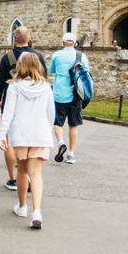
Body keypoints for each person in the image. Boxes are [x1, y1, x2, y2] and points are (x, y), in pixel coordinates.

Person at [0, 53, 55, 229]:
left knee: (22, 172)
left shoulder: (14, 86)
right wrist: (48, 130)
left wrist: (2, 135)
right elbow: (51, 113)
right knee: (36, 174)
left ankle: (22, 207)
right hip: (40, 133)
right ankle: (36, 212)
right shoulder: (46, 87)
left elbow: (8, 112)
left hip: (20, 134)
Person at [0, 26, 47, 191]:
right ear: (29, 38)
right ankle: (30, 176)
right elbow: (43, 80)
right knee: (29, 137)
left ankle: (13, 179)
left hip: (12, 100)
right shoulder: (37, 56)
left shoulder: (7, 57)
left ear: (14, 39)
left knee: (9, 139)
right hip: (33, 104)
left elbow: (0, 83)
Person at [49, 32, 90, 164]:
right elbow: (87, 72)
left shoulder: (57, 55)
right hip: (76, 93)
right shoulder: (81, 56)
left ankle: (61, 142)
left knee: (57, 123)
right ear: (75, 43)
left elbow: (51, 70)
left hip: (60, 93)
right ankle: (71, 154)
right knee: (73, 125)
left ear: (63, 43)